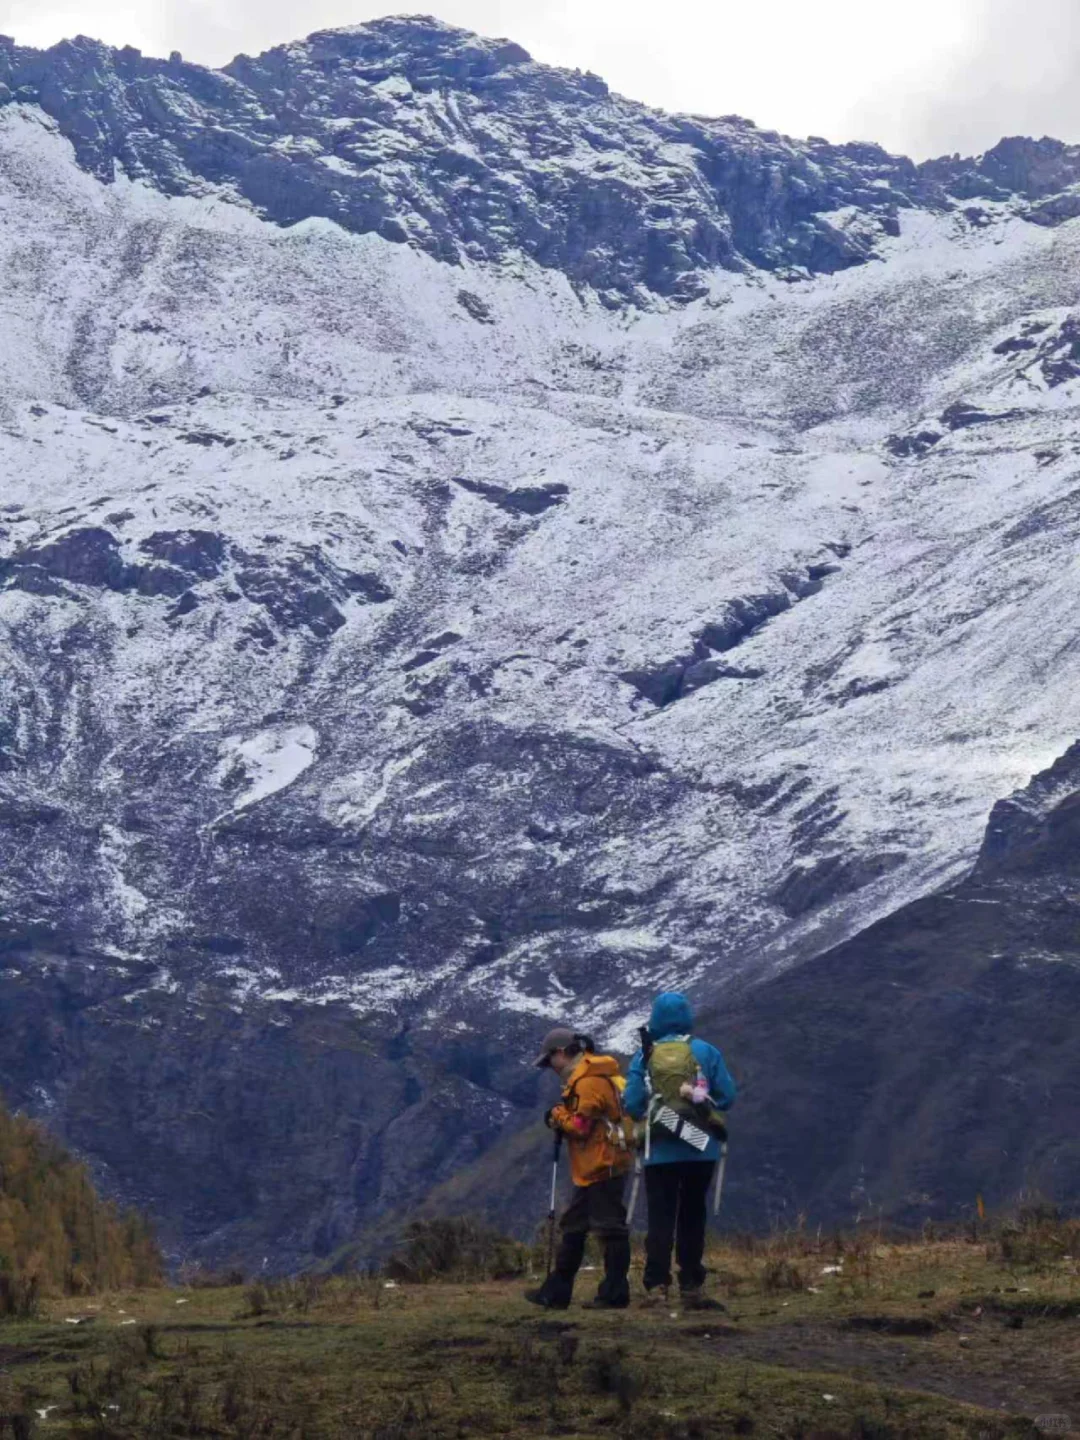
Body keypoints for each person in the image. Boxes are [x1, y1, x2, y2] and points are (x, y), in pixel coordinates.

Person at [624, 992, 736, 1310]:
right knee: (692, 1214)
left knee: (661, 1216)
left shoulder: (644, 1056)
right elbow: (727, 1097)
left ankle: (657, 1285)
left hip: (659, 1151)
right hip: (701, 1150)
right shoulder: (706, 1052)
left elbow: (632, 1105)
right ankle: (691, 1284)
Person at [524, 1026, 633, 1310]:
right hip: (595, 1165)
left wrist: (557, 1115)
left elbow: (581, 1127)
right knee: (575, 1225)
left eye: (550, 1061)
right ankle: (557, 1292)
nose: (550, 1068)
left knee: (609, 1228)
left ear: (561, 1053)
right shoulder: (589, 1077)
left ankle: (614, 1292)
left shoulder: (587, 1083)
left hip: (603, 1164)